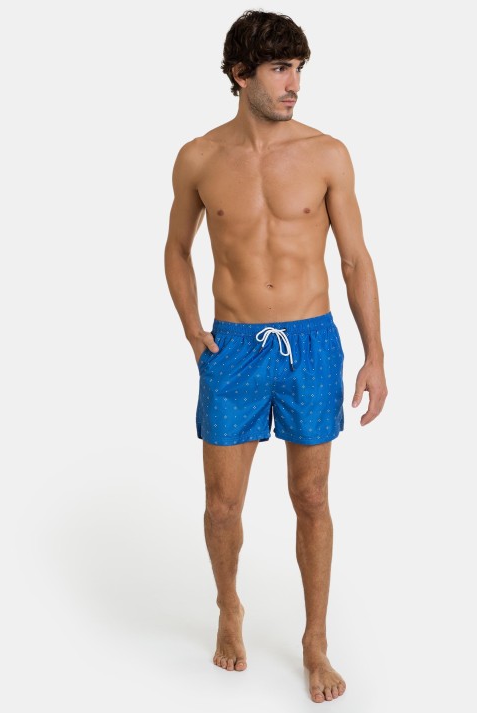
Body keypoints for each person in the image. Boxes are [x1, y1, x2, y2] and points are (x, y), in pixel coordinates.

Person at [164, 9, 388, 704]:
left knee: (312, 496)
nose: (294, 84)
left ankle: (315, 641)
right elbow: (176, 249)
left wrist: (375, 355)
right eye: (280, 69)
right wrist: (192, 328)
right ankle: (228, 606)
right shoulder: (199, 157)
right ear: (241, 75)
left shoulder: (328, 154)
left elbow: (355, 259)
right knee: (222, 504)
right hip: (232, 346)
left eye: (298, 69)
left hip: (312, 343)